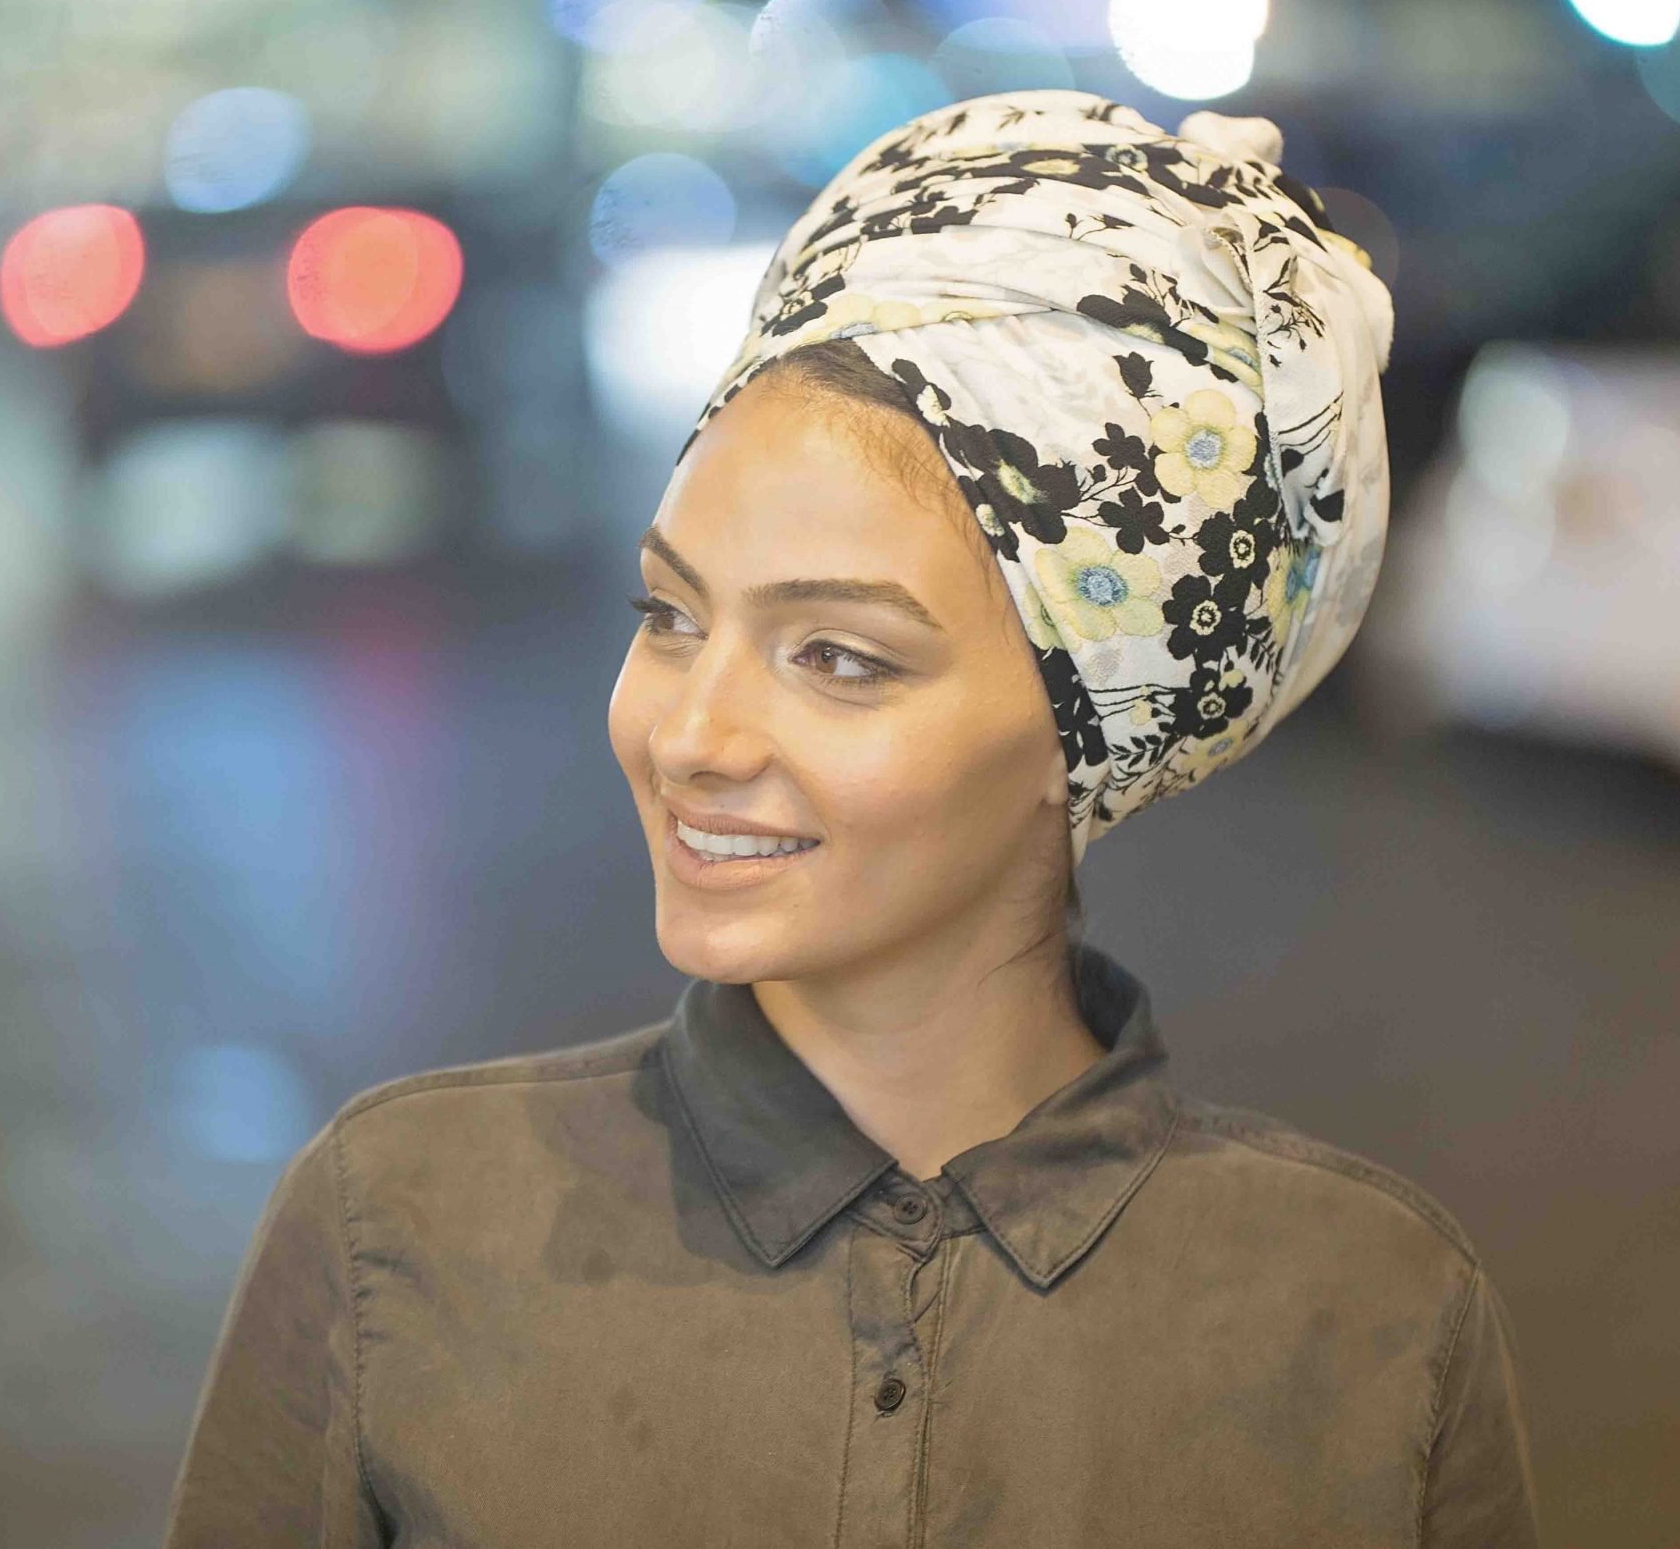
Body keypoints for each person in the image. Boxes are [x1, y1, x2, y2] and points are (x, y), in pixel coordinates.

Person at [161, 90, 1539, 1548]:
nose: (691, 737)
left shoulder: (1370, 1320)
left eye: (839, 657)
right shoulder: (397, 1229)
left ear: (1095, 727)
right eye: (670, 616)